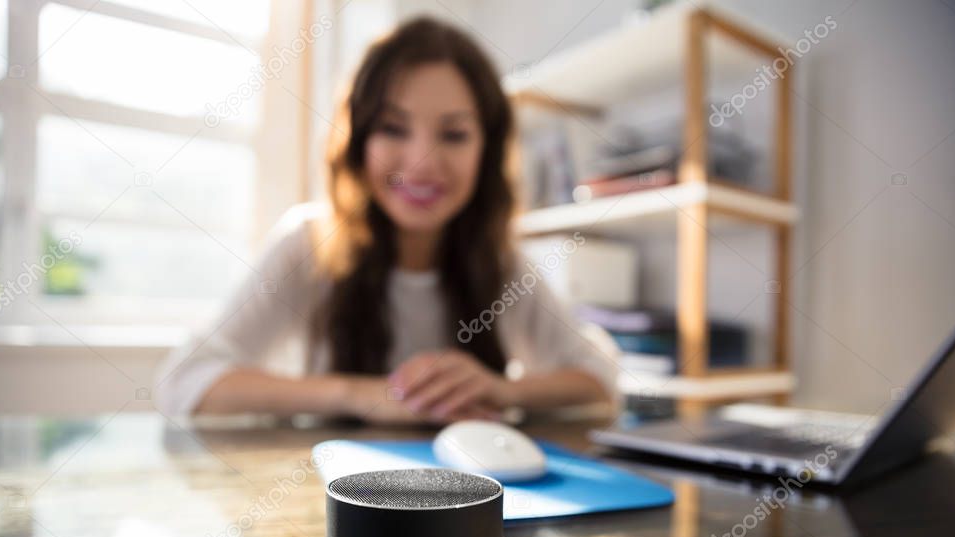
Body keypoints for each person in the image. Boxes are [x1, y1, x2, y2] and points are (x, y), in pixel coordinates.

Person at [155, 16, 620, 425]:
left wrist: (501, 390)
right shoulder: (309, 243)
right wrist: (359, 394)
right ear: (357, 141)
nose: (421, 163)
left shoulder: (498, 263)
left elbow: (601, 380)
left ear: (487, 151)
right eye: (392, 128)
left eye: (454, 134)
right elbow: (185, 381)